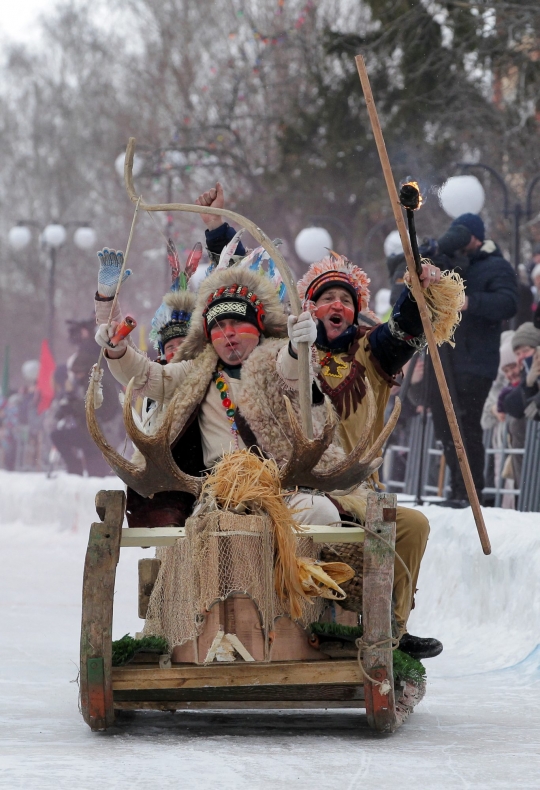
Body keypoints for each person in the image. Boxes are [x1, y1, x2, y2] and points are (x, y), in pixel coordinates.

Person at [172, 183, 448, 659]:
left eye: (345, 300)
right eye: (325, 300)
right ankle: (309, 625)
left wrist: (419, 291)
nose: (336, 307)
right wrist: (217, 230)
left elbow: (405, 329)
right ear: (307, 309)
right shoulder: (287, 349)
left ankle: (390, 629)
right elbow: (237, 302)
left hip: (353, 486)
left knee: (412, 526)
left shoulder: (372, 352)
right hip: (292, 482)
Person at [404, 213, 518, 507]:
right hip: (443, 359)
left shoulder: (497, 266)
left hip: (475, 362)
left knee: (466, 425)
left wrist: (470, 302)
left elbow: (508, 303)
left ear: (477, 238)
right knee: (444, 425)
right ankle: (457, 489)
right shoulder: (447, 262)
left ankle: (471, 493)